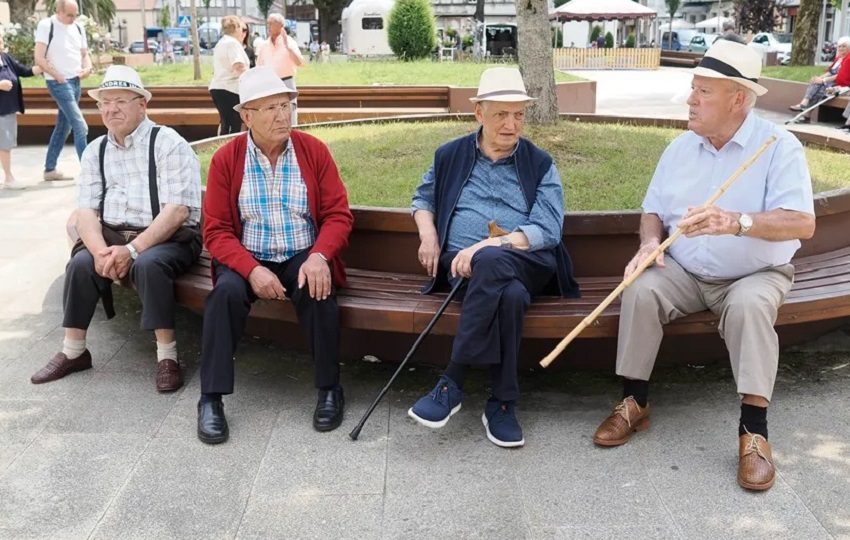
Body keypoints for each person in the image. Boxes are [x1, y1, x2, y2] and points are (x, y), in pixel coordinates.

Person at [591, 40, 815, 492]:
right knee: (641, 288)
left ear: (738, 99)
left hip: (754, 273)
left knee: (751, 307)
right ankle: (635, 402)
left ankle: (754, 432)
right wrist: (650, 244)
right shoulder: (680, 148)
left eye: (703, 92)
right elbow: (653, 210)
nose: (690, 100)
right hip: (686, 271)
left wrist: (736, 221)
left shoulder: (779, 147)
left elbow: (803, 222)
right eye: (692, 88)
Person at [407, 67, 580, 448]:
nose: (511, 124)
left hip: (526, 258)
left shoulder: (540, 163)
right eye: (501, 114)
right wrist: (429, 234)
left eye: (518, 114)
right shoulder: (449, 155)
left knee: (491, 263)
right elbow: (422, 198)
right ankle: (503, 402)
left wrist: (487, 246)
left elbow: (548, 230)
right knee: (511, 296)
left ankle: (452, 380)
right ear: (478, 114)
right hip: (461, 267)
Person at [197, 66, 353, 444]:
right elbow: (215, 230)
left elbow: (337, 214)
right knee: (225, 295)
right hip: (246, 256)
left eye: (286, 105)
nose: (284, 116)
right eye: (271, 108)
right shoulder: (226, 160)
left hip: (302, 252)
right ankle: (210, 398)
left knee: (318, 288)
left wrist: (319, 257)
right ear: (246, 115)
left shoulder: (312, 151)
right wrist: (251, 270)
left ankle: (330, 388)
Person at [29, 65, 202, 392]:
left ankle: (167, 356)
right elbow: (86, 211)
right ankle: (74, 351)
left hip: (169, 236)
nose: (111, 109)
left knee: (149, 265)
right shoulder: (96, 150)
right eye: (104, 102)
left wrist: (133, 250)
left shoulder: (167, 143)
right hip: (113, 235)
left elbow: (177, 211)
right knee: (81, 263)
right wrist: (99, 251)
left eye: (120, 101)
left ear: (142, 105)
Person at [34, 0, 92, 181]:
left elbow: (84, 54)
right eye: (69, 15)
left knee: (63, 127)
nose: (73, 19)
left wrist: (88, 68)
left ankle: (50, 170)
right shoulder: (47, 25)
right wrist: (57, 75)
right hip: (58, 82)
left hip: (75, 81)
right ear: (58, 11)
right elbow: (39, 57)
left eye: (75, 15)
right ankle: (90, 173)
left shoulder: (78, 27)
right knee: (80, 125)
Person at [0, 31, 42, 190]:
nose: (1, 40)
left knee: (5, 144)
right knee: (4, 145)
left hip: (8, 109)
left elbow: (23, 71)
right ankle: (9, 178)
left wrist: (41, 67)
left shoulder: (5, 58)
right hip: (2, 111)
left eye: (1, 37)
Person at [257, 14, 304, 125]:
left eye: (271, 23)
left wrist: (288, 47)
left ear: (280, 25)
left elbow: (300, 62)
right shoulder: (264, 45)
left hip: (286, 82)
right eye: (267, 23)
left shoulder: (290, 42)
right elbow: (259, 67)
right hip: (269, 84)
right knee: (271, 114)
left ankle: (292, 136)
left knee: (289, 113)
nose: (268, 26)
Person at [789, 36, 850, 119]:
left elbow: (840, 76)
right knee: (816, 83)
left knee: (819, 90)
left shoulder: (848, 59)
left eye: (844, 46)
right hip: (832, 83)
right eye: (839, 46)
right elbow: (830, 72)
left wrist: (823, 80)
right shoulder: (838, 58)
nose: (841, 48)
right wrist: (819, 78)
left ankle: (805, 109)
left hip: (842, 86)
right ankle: (805, 108)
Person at [209, 15, 250, 135]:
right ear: (236, 28)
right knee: (234, 124)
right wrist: (251, 80)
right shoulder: (232, 43)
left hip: (218, 88)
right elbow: (238, 65)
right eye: (242, 29)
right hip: (230, 88)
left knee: (226, 123)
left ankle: (224, 148)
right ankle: (231, 149)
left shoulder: (221, 43)